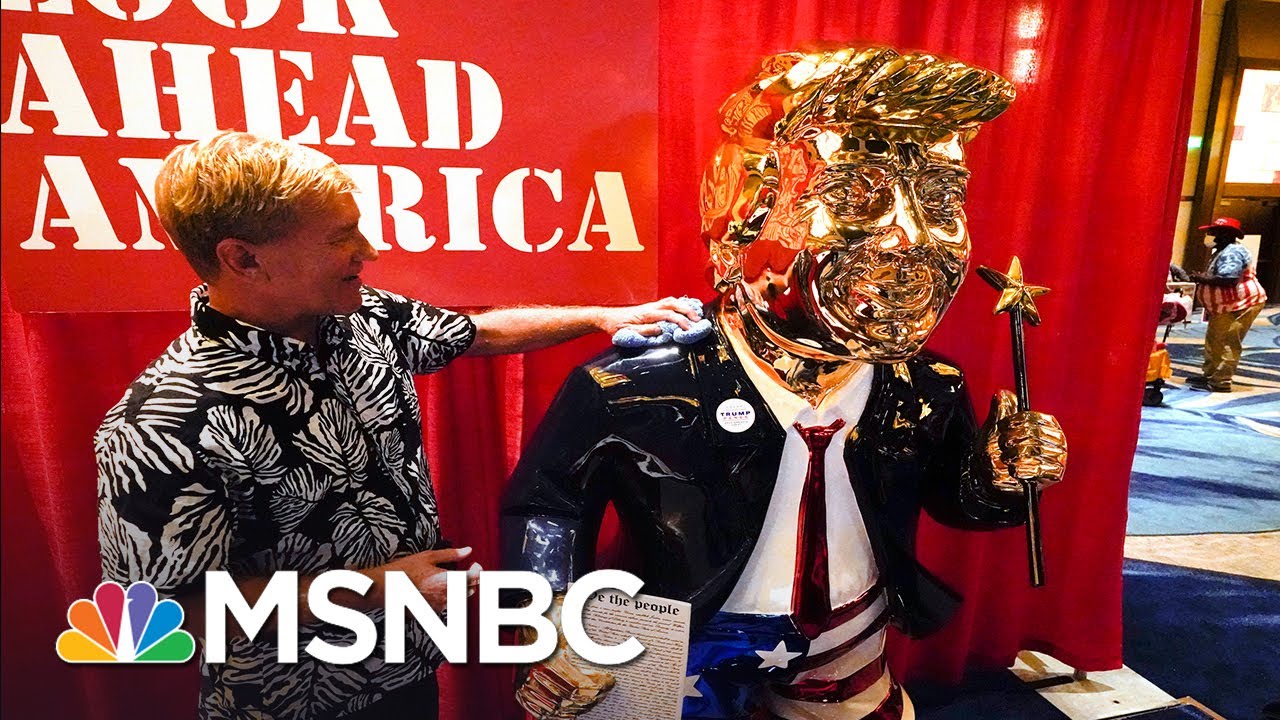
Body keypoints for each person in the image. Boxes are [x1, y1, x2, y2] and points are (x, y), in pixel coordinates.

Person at [502, 47, 1067, 720]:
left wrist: (997, 477)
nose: (912, 239)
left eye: (941, 199)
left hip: (849, 634)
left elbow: (954, 500)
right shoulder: (635, 388)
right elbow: (549, 507)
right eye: (854, 195)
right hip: (674, 633)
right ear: (744, 213)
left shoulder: (928, 387)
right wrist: (554, 619)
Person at [94, 131, 700, 720]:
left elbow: (476, 334)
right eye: (341, 237)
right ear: (243, 258)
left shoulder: (361, 315)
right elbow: (154, 615)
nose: (370, 250)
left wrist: (604, 316)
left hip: (410, 672)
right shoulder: (159, 422)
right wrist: (376, 588)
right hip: (289, 704)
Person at [1188, 217, 1267, 392]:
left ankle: (1221, 382)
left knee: (1227, 342)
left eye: (1215, 232)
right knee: (1214, 339)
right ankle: (1210, 374)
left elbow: (1229, 279)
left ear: (1227, 234)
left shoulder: (1233, 252)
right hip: (1226, 305)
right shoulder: (1223, 250)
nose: (1211, 236)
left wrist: (1201, 278)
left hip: (1240, 304)